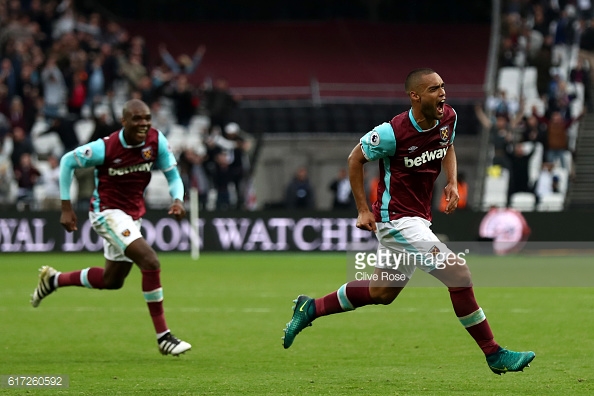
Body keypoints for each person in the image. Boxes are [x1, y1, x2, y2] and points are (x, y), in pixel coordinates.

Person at [282, 68, 535, 374]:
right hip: (396, 220)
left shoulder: (448, 118)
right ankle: (493, 352)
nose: (442, 93)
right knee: (458, 272)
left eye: (442, 86)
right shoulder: (392, 133)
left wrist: (452, 181)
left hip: (418, 218)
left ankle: (311, 307)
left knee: (382, 292)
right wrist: (363, 209)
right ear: (415, 96)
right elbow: (354, 159)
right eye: (433, 89)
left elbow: (448, 145)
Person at [30, 99, 191, 356]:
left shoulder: (156, 141)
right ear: (124, 121)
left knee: (111, 280)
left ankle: (54, 280)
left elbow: (173, 176)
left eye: (147, 118)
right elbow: (67, 162)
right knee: (150, 261)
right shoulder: (105, 148)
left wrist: (178, 199)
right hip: (107, 213)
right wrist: (66, 207)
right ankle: (164, 337)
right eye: (137, 119)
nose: (144, 123)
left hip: (131, 214)